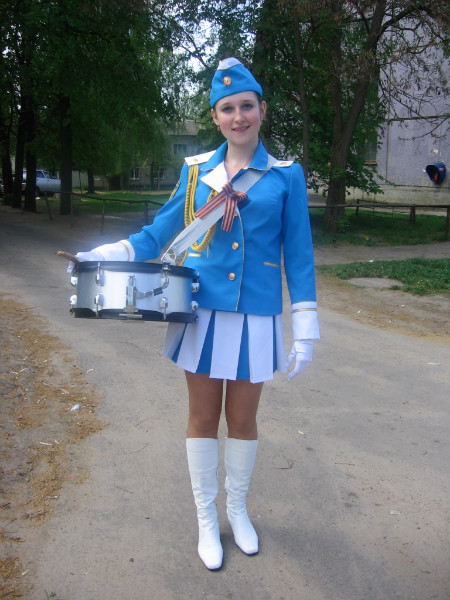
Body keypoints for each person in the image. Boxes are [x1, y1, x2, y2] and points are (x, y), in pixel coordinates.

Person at [68, 57, 320, 571]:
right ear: (215, 117)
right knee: (204, 418)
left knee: (243, 420)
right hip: (202, 316)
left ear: (262, 110)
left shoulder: (286, 176)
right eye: (227, 108)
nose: (238, 117)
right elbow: (157, 234)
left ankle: (237, 510)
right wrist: (105, 254)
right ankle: (207, 519)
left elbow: (299, 255)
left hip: (256, 319)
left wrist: (306, 327)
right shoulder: (196, 173)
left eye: (246, 106)